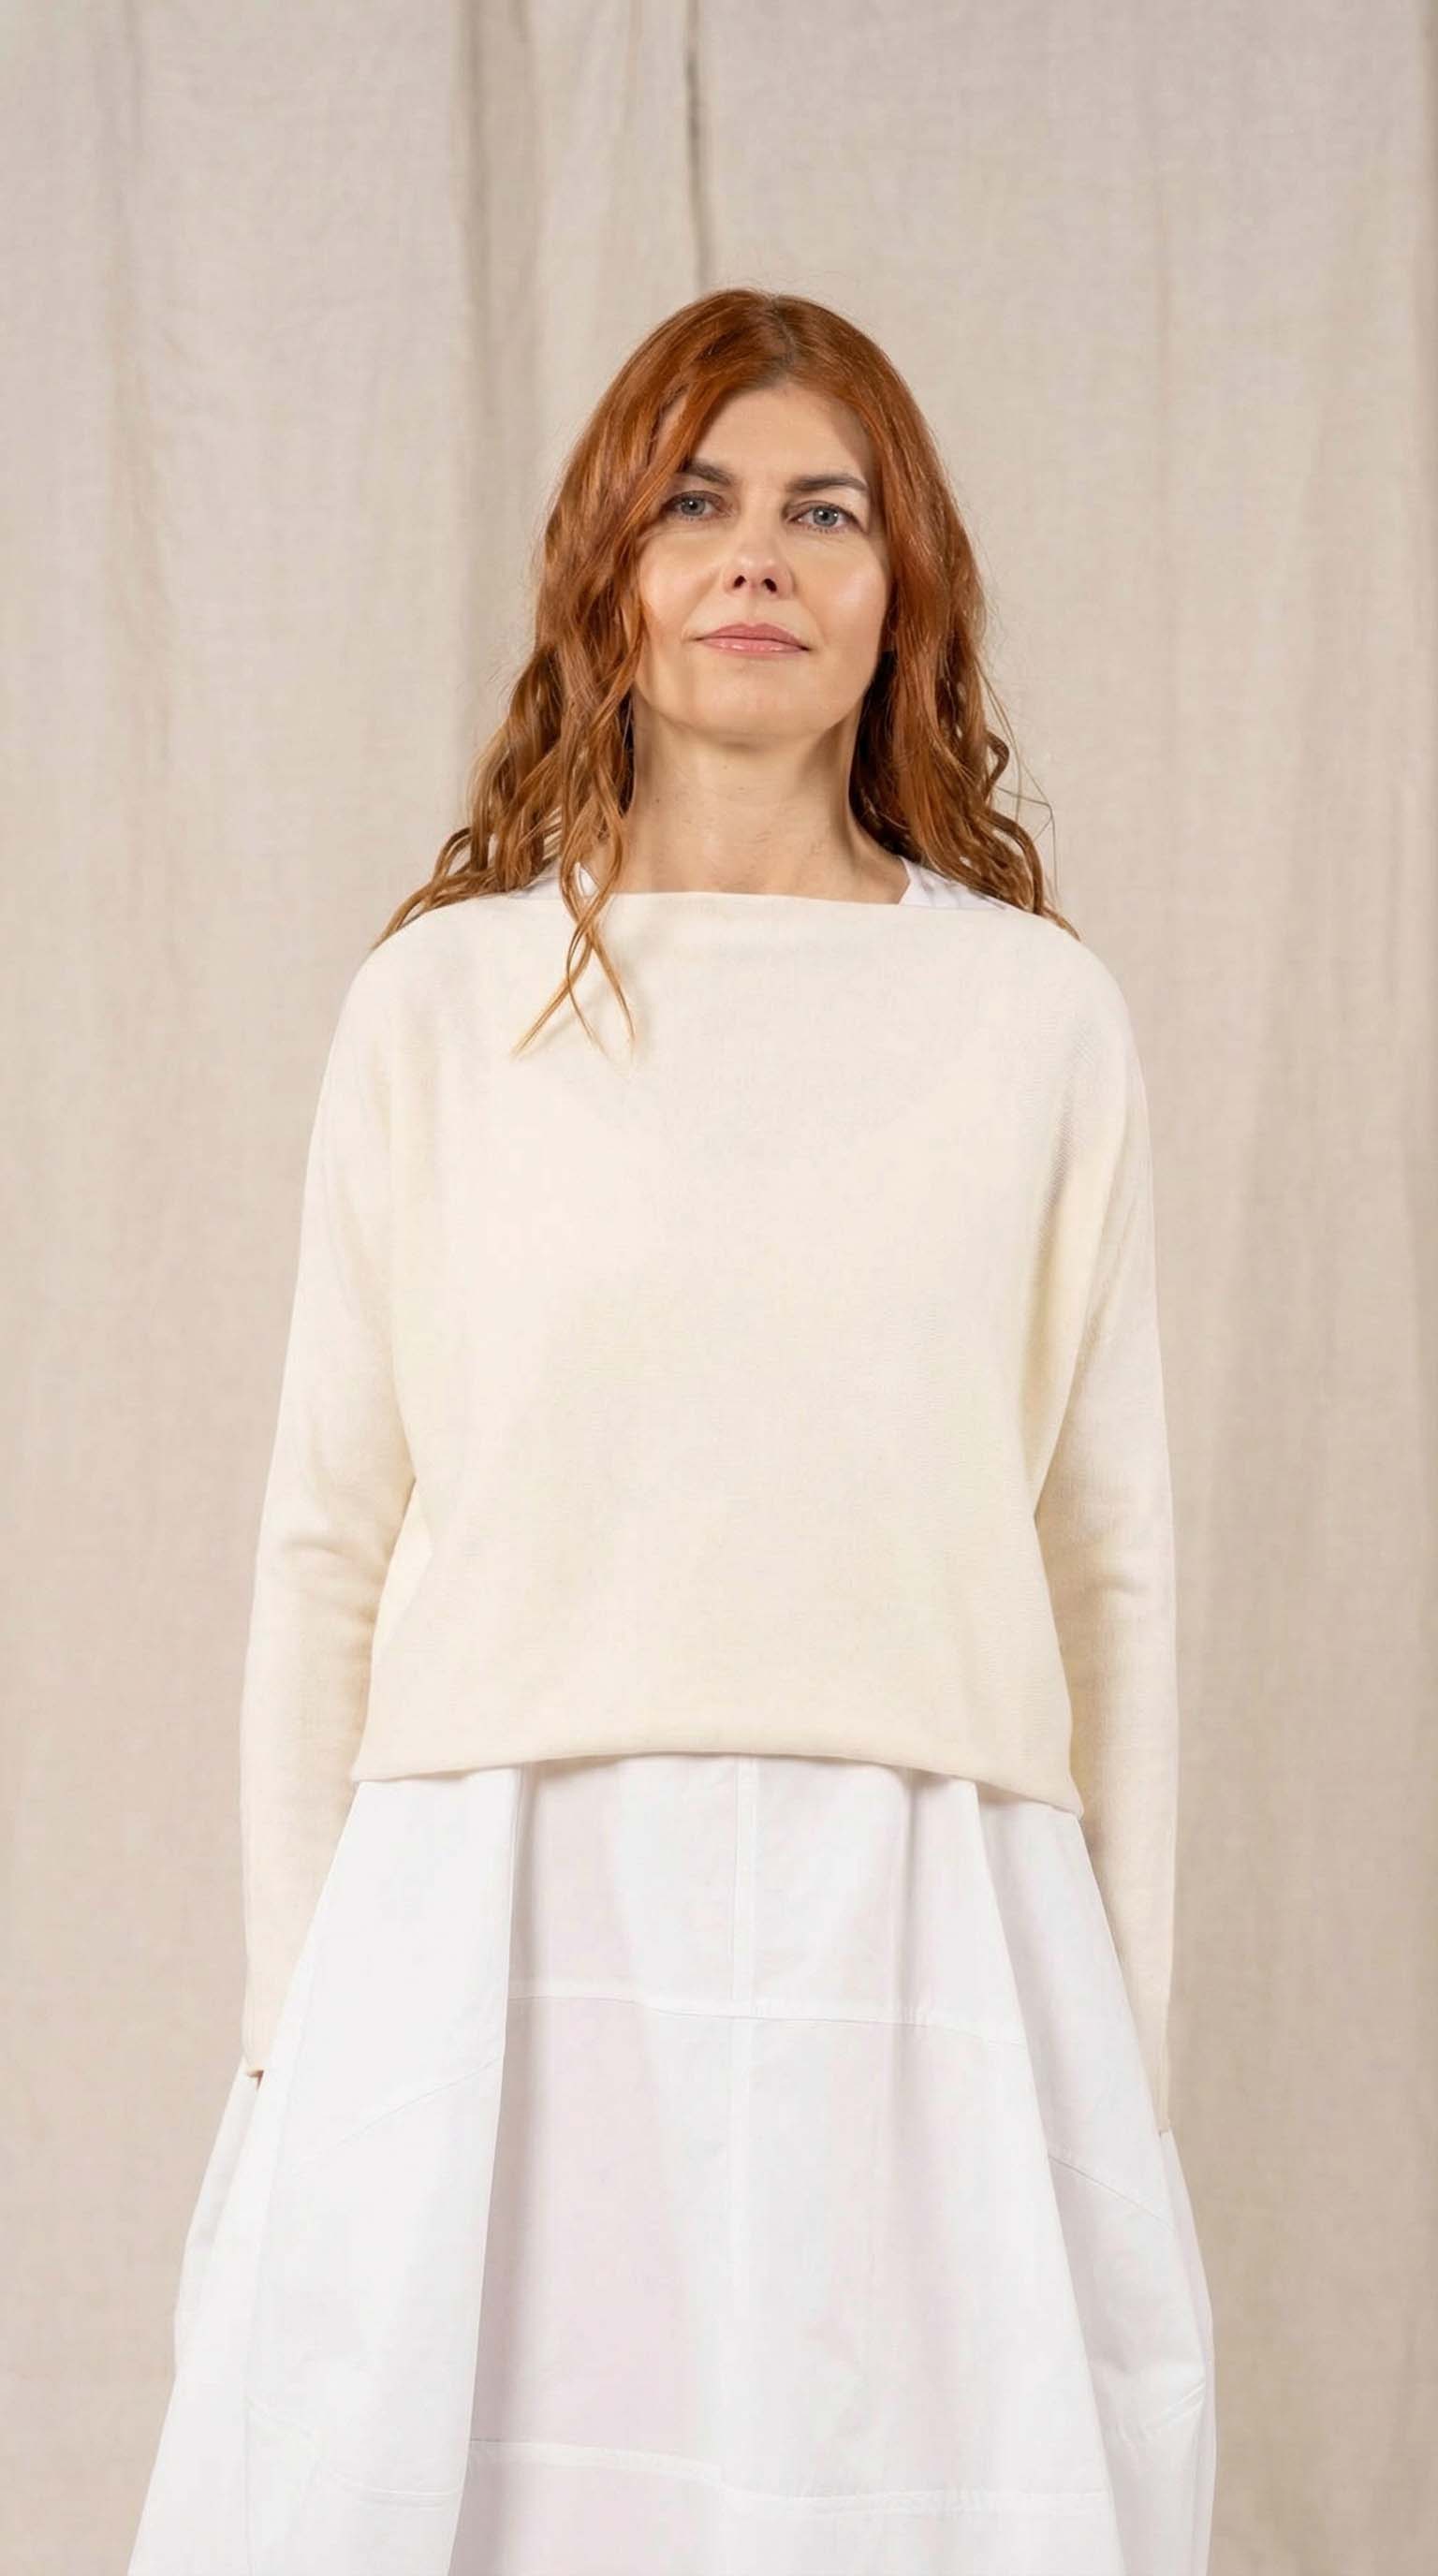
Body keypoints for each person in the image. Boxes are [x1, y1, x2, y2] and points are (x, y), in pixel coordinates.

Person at [129, 286, 1215, 2576]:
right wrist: (298, 2022)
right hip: (495, 1936)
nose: (758, 559)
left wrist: (1111, 2035)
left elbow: (1108, 1565)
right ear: (609, 574)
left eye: (826, 511)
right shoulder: (441, 1007)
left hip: (921, 1933)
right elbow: (325, 1545)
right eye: (699, 502)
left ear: (902, 588)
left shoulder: (1035, 1020)